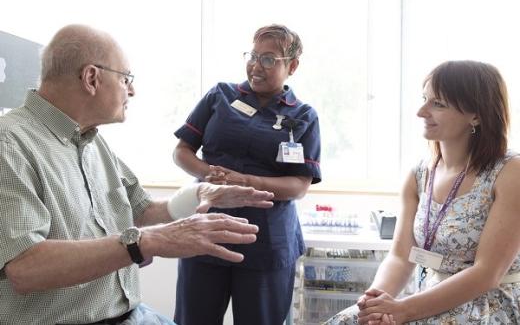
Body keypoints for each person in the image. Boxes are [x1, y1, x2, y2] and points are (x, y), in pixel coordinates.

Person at [0, 24, 277, 325]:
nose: (132, 90)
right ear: (92, 77)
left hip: (132, 314)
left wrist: (198, 194)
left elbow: (143, 211)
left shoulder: (91, 141)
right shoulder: (10, 145)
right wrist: (145, 242)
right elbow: (25, 267)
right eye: (125, 78)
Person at [325, 60, 520, 325]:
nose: (420, 112)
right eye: (424, 99)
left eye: (437, 104)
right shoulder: (419, 174)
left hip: (487, 303)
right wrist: (375, 302)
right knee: (347, 321)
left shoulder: (510, 171)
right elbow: (399, 257)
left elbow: (487, 274)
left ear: (476, 115)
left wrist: (403, 310)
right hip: (425, 299)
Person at [173, 24, 321, 325]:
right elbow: (182, 151)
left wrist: (245, 182)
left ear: (292, 66)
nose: (256, 66)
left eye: (269, 59)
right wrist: (209, 174)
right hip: (206, 227)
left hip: (267, 239)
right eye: (252, 56)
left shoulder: (303, 115)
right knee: (192, 319)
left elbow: (299, 185)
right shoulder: (221, 95)